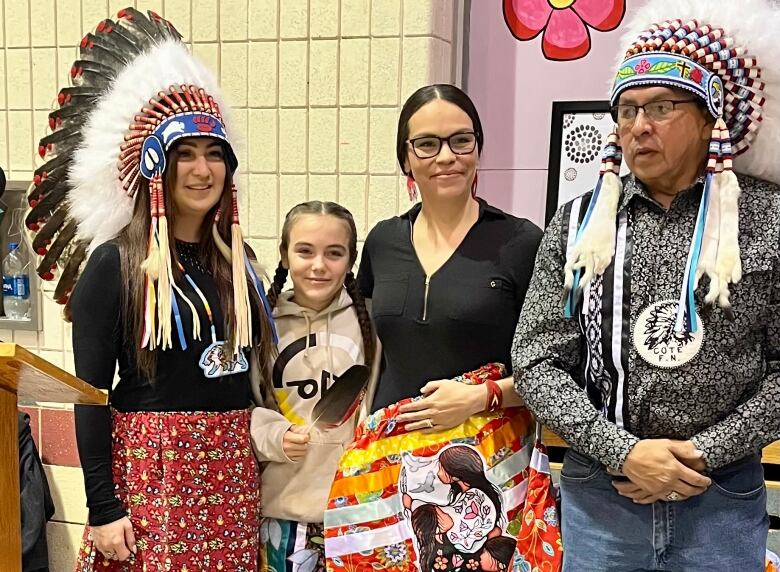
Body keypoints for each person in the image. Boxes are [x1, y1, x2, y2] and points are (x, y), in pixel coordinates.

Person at [512, 0, 780, 569]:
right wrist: (623, 451)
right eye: (627, 110)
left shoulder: (767, 220)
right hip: (602, 492)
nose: (639, 125)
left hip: (721, 498)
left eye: (661, 106)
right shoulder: (581, 225)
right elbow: (535, 359)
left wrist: (704, 452)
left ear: (712, 118)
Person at [25, 9, 275, 571]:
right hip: (151, 476)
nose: (202, 168)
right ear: (155, 164)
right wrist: (103, 506)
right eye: (185, 153)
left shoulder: (241, 262)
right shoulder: (114, 265)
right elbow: (89, 392)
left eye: (215, 153)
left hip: (231, 475)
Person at [358, 83, 543, 429]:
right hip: (390, 458)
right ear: (405, 159)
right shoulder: (382, 240)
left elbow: (557, 367)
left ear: (477, 149)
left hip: (489, 458)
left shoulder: (521, 242)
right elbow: (365, 350)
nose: (446, 157)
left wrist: (481, 396)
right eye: (427, 144)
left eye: (461, 140)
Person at [250, 201, 376, 572]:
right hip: (283, 511)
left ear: (350, 259)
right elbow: (239, 406)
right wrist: (273, 436)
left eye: (334, 253)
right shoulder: (260, 323)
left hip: (359, 510)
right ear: (285, 256)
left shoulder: (370, 320)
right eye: (305, 251)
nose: (319, 265)